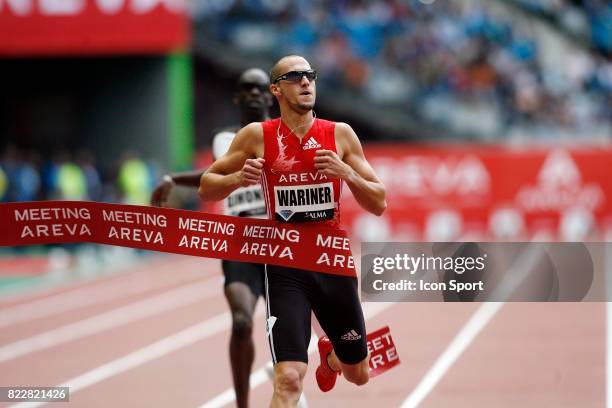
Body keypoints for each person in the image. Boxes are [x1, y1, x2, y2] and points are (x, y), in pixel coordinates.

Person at [199, 55, 387, 407]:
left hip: (333, 263)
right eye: (295, 77)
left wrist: (346, 173)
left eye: (310, 76)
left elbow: (379, 201)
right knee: (287, 378)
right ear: (277, 89)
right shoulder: (257, 136)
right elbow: (207, 186)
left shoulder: (339, 134)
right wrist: (239, 179)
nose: (305, 82)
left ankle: (331, 358)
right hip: (285, 266)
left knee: (357, 372)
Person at [151, 68, 274, 408]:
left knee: (288, 330)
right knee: (240, 321)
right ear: (236, 97)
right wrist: (173, 179)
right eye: (245, 87)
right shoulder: (225, 140)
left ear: (272, 95)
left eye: (259, 87)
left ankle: (289, 385)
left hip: (282, 243)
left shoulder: (287, 135)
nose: (253, 93)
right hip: (240, 243)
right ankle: (243, 404)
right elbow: (213, 175)